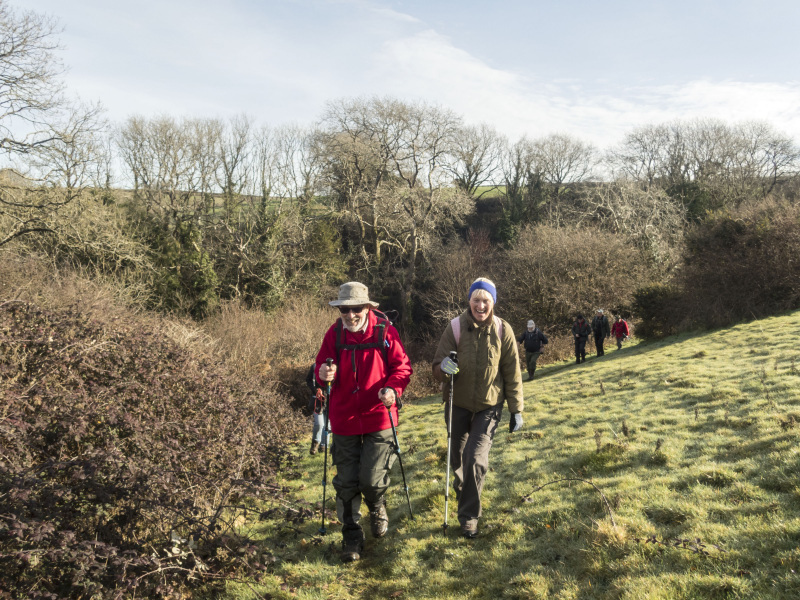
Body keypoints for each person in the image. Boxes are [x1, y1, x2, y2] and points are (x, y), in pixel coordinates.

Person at [315, 281, 412, 563]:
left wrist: (393, 389)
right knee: (346, 483)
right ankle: (352, 536)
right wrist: (323, 373)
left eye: (356, 309)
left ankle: (377, 506)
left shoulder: (385, 332)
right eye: (345, 309)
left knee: (370, 480)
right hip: (344, 419)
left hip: (378, 416)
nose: (350, 315)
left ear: (368, 308)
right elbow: (320, 370)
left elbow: (403, 367)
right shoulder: (333, 334)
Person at [432, 277, 524, 539]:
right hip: (457, 405)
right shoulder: (455, 328)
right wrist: (444, 369)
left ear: (492, 302)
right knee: (457, 459)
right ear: (469, 301)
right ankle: (465, 491)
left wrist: (516, 409)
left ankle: (469, 516)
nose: (480, 305)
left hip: (489, 406)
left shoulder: (502, 330)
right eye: (476, 300)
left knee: (474, 459)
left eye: (486, 300)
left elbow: (512, 372)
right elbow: (437, 366)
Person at [305, 364, 328, 455]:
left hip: (331, 400)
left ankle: (323, 446)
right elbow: (308, 380)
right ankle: (315, 443)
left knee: (328, 425)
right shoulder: (315, 366)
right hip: (317, 400)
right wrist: (315, 390)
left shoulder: (337, 366)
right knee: (319, 424)